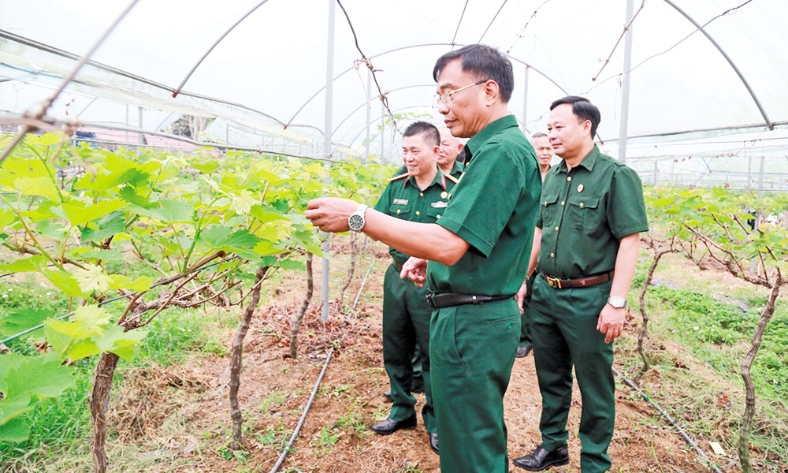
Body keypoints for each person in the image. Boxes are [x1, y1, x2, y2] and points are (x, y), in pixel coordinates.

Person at [306, 43, 541, 473]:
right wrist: (431, 262)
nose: (443, 107)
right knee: (468, 436)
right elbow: (470, 241)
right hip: (472, 314)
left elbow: (450, 243)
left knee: (470, 446)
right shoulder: (492, 150)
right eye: (440, 96)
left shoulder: (502, 152)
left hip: (473, 323)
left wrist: (359, 217)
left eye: (450, 92)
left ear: (489, 90)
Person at [512, 96, 648, 472]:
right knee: (551, 377)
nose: (551, 134)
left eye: (559, 126)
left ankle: (594, 461)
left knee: (594, 385)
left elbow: (630, 240)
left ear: (586, 126)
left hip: (590, 298)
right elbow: (539, 230)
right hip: (546, 295)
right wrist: (524, 280)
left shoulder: (615, 175)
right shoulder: (554, 176)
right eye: (549, 127)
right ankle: (553, 445)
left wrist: (616, 302)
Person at [371, 121, 452, 454]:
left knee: (432, 351)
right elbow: (379, 223)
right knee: (395, 345)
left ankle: (435, 421)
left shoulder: (453, 188)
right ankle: (401, 409)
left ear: (434, 152)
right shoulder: (395, 186)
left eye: (415, 150)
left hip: (431, 280)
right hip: (397, 278)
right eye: (404, 150)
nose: (408, 157)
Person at [516, 132, 554, 359]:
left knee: (543, 289)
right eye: (540, 148)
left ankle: (539, 336)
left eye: (549, 148)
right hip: (525, 241)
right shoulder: (526, 175)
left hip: (549, 243)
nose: (545, 152)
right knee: (523, 287)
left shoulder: (558, 176)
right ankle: (523, 338)